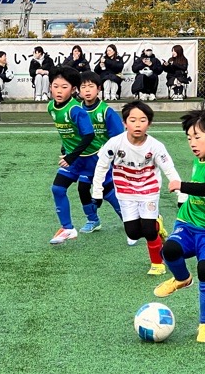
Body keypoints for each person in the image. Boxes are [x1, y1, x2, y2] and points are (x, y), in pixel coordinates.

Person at [152, 109, 205, 344]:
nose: (192, 143)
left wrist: (183, 186)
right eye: (189, 137)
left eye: (197, 137)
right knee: (169, 250)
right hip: (189, 223)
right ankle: (182, 279)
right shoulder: (199, 159)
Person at [92, 101, 180, 274]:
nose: (138, 125)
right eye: (133, 120)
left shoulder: (156, 146)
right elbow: (101, 166)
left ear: (149, 123)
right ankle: (158, 224)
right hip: (125, 193)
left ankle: (157, 264)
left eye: (143, 120)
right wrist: (97, 192)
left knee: (148, 230)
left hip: (149, 191)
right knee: (132, 233)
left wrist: (181, 194)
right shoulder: (114, 143)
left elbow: (169, 169)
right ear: (125, 123)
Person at [46, 66, 109, 244]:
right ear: (50, 87)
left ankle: (132, 223)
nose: (59, 91)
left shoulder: (76, 110)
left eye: (64, 87)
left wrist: (70, 157)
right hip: (74, 158)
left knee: (109, 192)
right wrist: (65, 149)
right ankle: (68, 228)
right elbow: (69, 133)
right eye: (55, 86)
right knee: (58, 189)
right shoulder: (51, 107)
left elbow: (89, 135)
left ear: (73, 89)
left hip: (92, 157)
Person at [75, 70, 124, 235]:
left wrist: (110, 155)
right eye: (83, 87)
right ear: (78, 90)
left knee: (107, 189)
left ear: (99, 89)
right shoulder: (76, 110)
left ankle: (126, 216)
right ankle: (92, 219)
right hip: (84, 160)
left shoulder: (106, 111)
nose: (87, 90)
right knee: (83, 187)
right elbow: (72, 134)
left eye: (91, 86)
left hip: (103, 161)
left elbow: (118, 137)